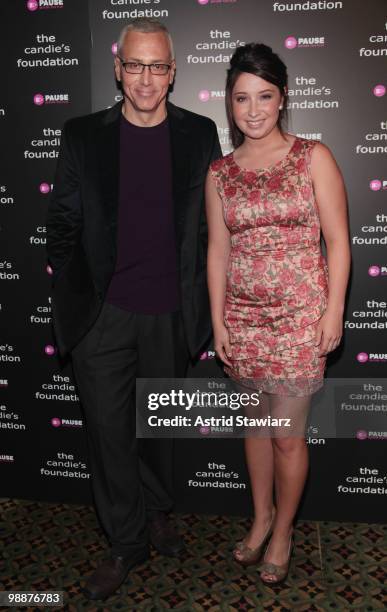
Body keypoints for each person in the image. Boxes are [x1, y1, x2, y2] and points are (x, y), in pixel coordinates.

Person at [46, 18, 221, 601]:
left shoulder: (199, 136)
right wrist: (79, 294)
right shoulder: (82, 135)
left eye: (159, 66)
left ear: (173, 73)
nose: (146, 78)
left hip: (170, 313)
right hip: (103, 316)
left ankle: (156, 512)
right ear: (119, 70)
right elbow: (62, 225)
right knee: (109, 433)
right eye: (136, 65)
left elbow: (210, 231)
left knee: (157, 430)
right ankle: (126, 541)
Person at [206, 43, 350, 585]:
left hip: (298, 318)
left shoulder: (314, 156)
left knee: (287, 434)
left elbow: (338, 242)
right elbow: (217, 252)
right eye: (242, 98)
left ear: (282, 96)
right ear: (230, 102)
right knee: (256, 426)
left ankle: (285, 529)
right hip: (241, 320)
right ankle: (261, 516)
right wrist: (219, 321)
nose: (254, 109)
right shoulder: (219, 173)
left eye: (264, 96)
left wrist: (332, 312)